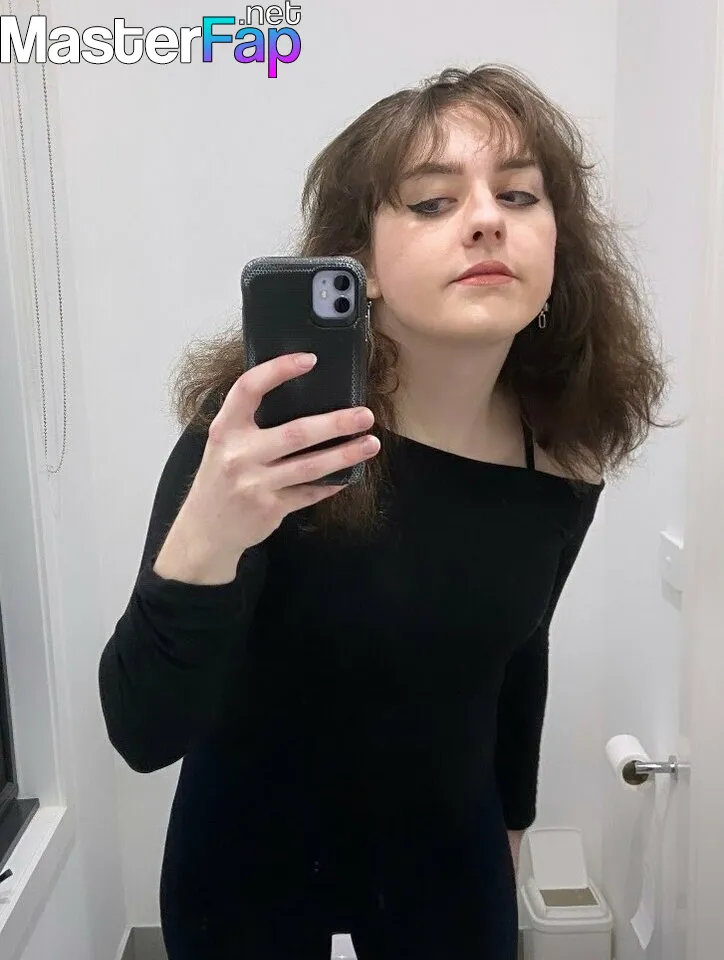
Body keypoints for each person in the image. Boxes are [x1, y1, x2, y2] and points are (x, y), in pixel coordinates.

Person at [98, 63, 669, 959]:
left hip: (447, 865)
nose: (486, 219)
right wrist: (211, 530)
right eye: (432, 202)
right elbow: (142, 731)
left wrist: (514, 821)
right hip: (245, 864)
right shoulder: (261, 441)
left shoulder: (562, 451)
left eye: (519, 194)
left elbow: (521, 649)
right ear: (357, 263)